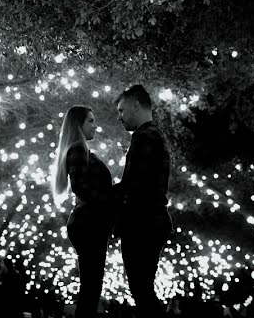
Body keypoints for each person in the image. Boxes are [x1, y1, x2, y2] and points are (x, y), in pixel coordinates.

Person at [114, 85, 172, 318]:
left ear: (136, 105)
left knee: (141, 290)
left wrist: (104, 197)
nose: (119, 116)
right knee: (143, 289)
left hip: (143, 223)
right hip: (151, 221)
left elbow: (133, 185)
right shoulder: (153, 135)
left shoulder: (145, 137)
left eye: (121, 110)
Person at [52, 105, 114, 318]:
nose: (96, 125)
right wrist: (110, 199)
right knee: (91, 286)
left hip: (89, 222)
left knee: (91, 285)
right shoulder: (78, 150)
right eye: (91, 121)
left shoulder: (80, 150)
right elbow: (80, 186)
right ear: (78, 125)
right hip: (89, 223)